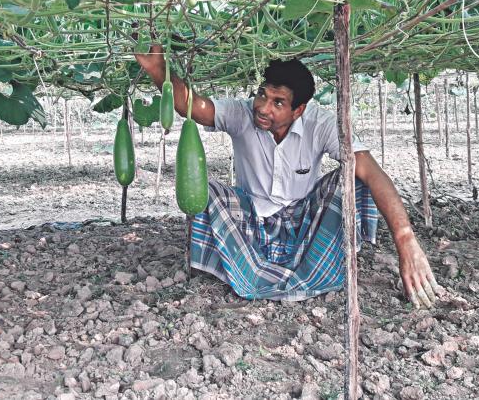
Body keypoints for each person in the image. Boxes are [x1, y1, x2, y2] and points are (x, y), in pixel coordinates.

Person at [135, 45, 439, 307]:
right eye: (261, 95)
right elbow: (195, 107)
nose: (263, 107)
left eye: (278, 102)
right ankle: (248, 268)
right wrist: (160, 72)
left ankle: (298, 267)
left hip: (304, 224)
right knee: (210, 192)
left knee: (354, 178)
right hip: (250, 221)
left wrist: (406, 241)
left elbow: (373, 172)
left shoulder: (321, 124)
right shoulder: (243, 114)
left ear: (299, 110)